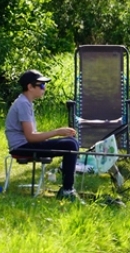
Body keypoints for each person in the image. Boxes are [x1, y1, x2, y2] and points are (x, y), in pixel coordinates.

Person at [5, 70, 81, 201]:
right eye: (41, 85)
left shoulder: (26, 103)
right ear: (30, 87)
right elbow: (31, 137)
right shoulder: (22, 104)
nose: (43, 88)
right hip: (21, 147)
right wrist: (57, 132)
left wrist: (57, 135)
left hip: (27, 144)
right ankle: (68, 190)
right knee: (70, 144)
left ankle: (68, 188)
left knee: (71, 142)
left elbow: (32, 136)